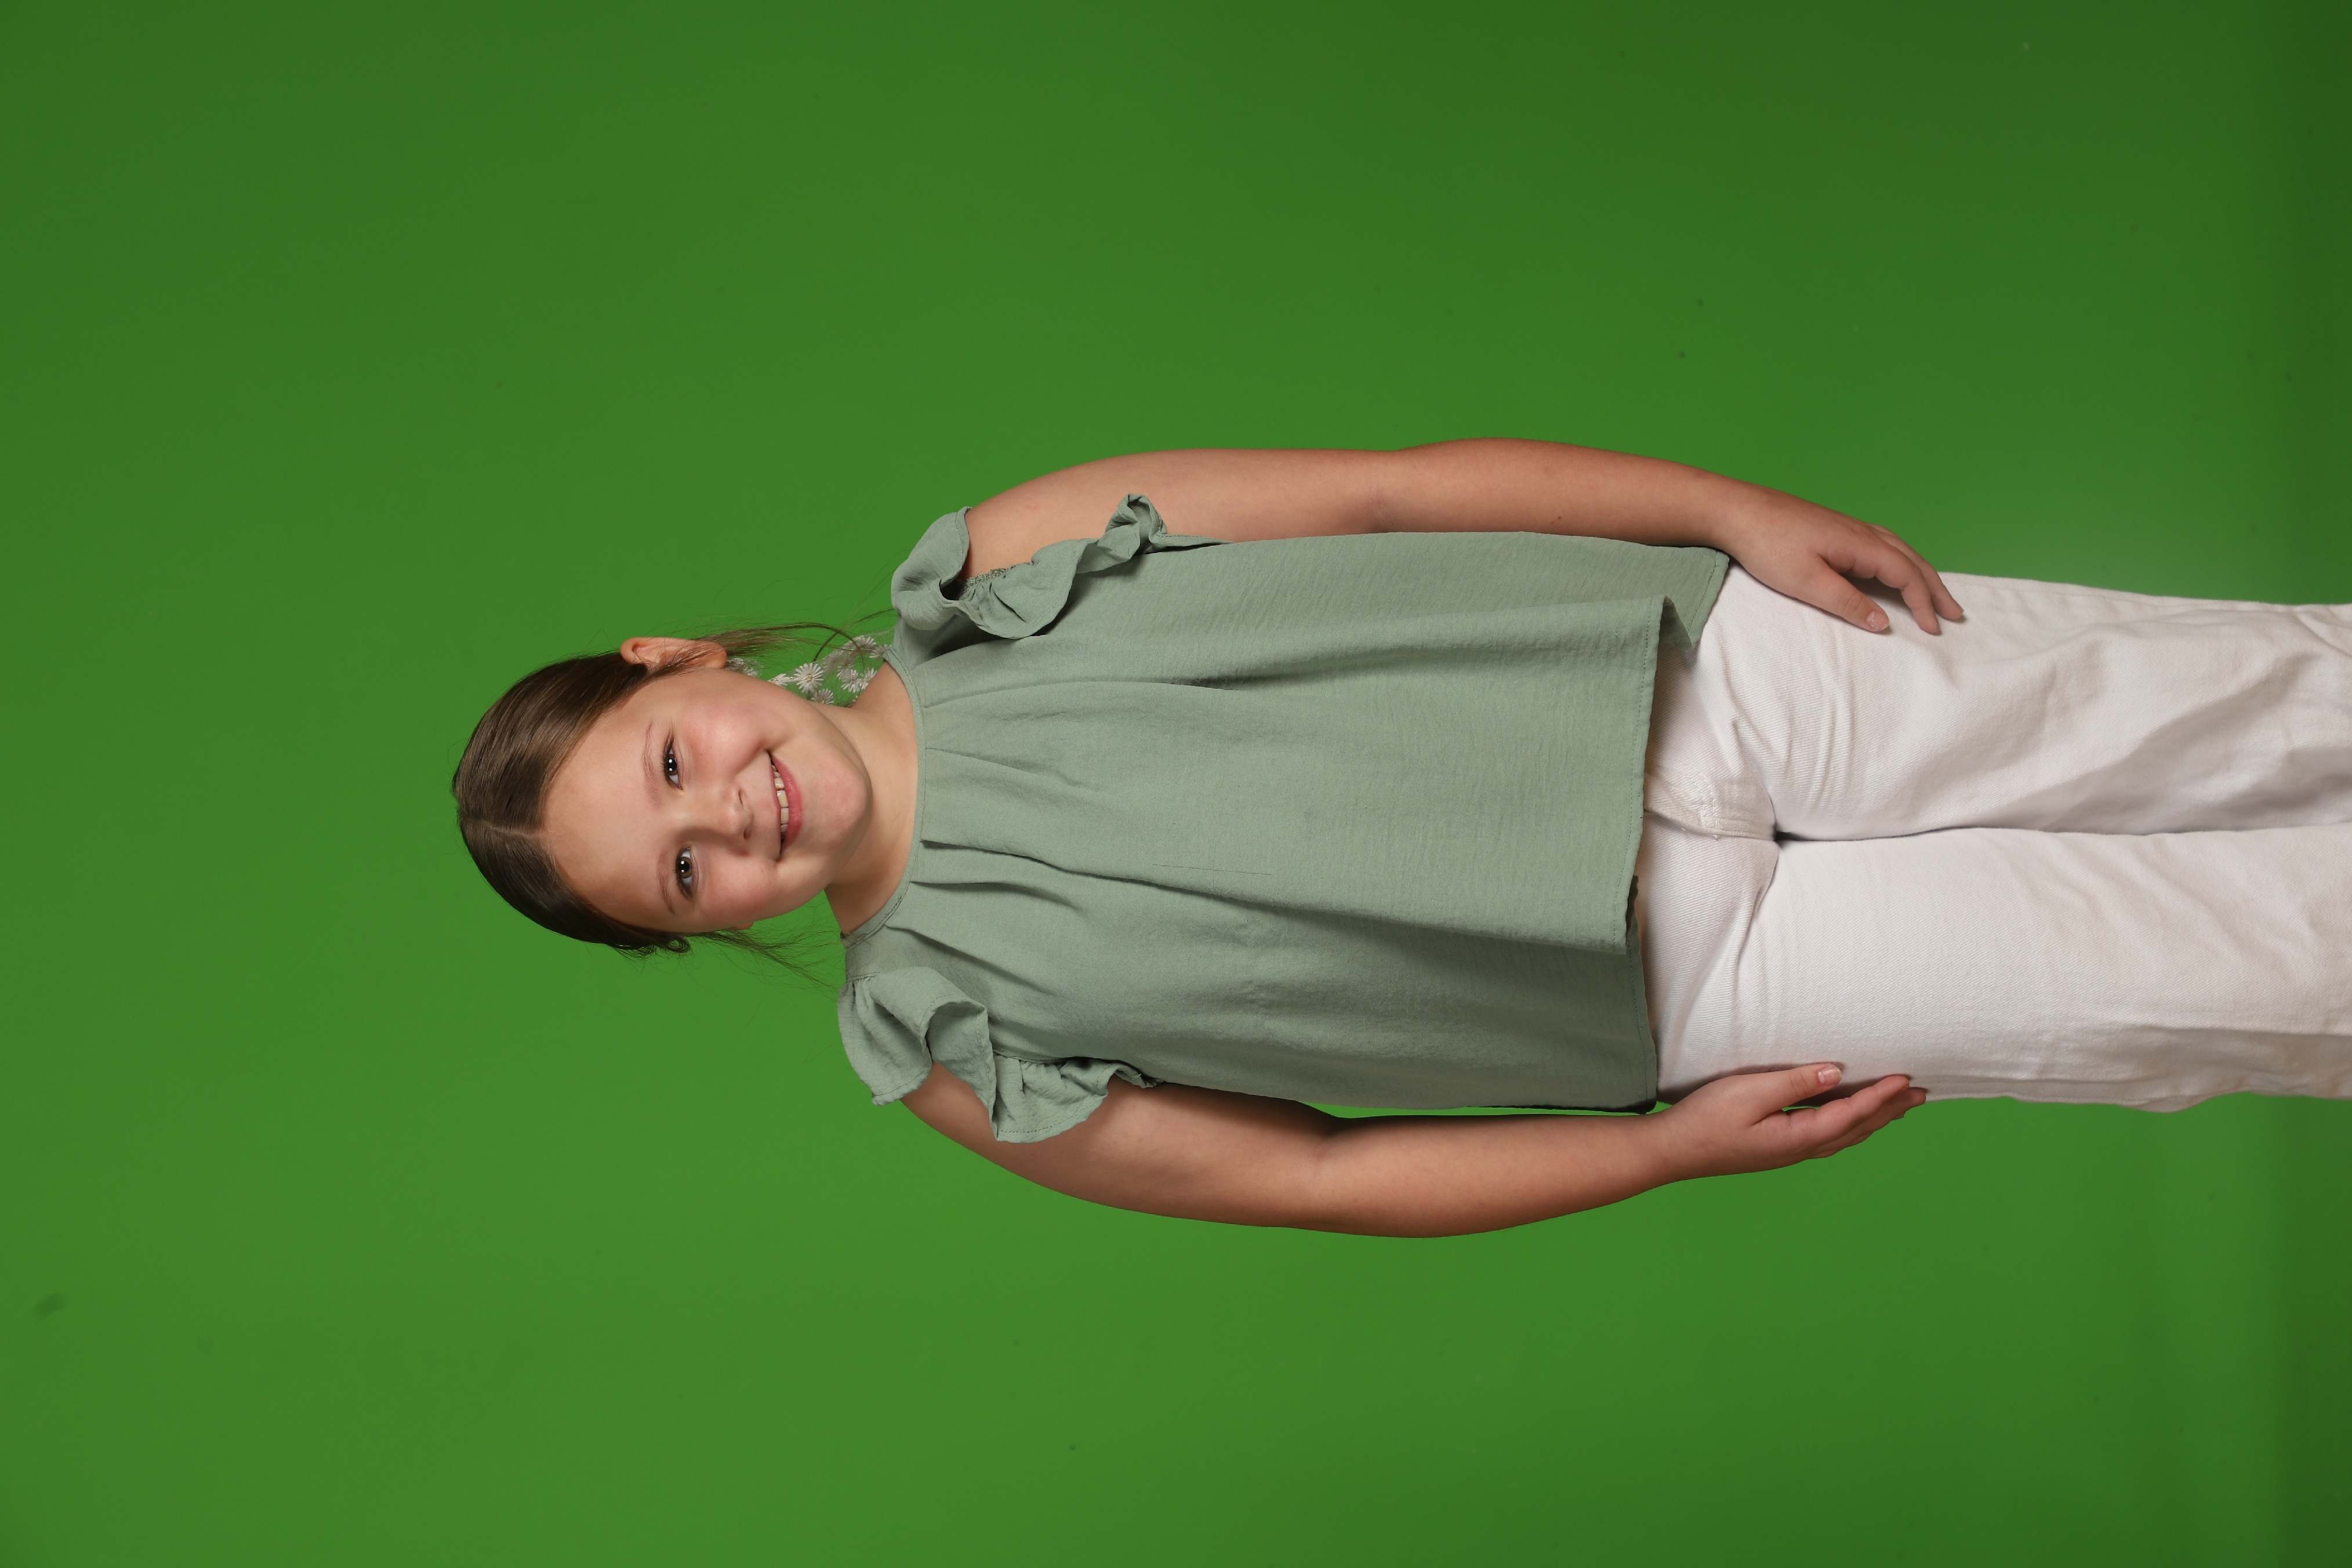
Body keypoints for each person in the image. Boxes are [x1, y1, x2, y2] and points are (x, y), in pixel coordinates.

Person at [453, 441, 2352, 1237]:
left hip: (1708, 665)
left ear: (680, 660)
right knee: (2224, 975)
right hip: (1703, 984)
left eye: (675, 759)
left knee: (2226, 701)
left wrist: (1723, 511)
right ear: (696, 931)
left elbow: (1386, 490)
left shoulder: (1006, 567)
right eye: (684, 871)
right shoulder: (949, 1048)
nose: (733, 812)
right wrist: (1661, 1151)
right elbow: (1316, 1175)